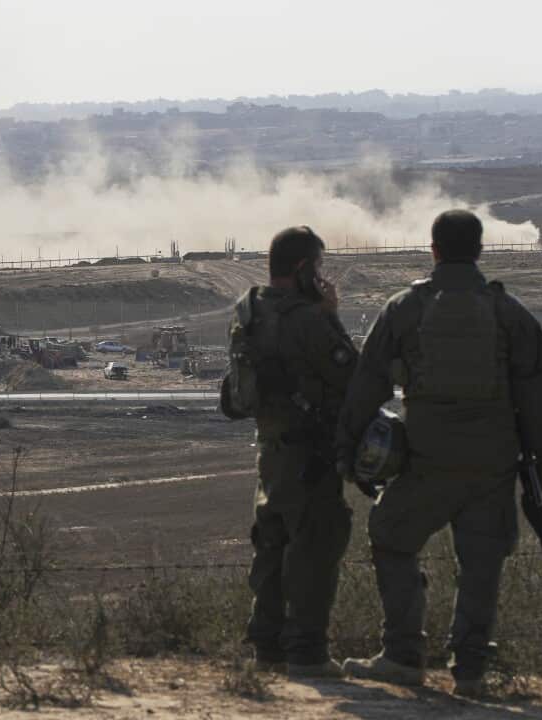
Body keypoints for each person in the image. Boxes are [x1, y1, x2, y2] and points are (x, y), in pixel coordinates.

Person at [335, 210, 542, 696]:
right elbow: (540, 389)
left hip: (427, 460)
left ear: (433, 250)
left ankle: (402, 655)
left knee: (391, 537)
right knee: (481, 564)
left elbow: (367, 383)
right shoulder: (509, 313)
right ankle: (471, 670)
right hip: (494, 465)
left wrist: (349, 452)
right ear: (480, 250)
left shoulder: (405, 307)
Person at [220, 225, 356, 678]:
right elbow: (350, 375)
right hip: (310, 456)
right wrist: (332, 314)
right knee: (315, 547)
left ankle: (267, 645)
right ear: (302, 269)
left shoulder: (247, 313)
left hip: (270, 452)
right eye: (317, 268)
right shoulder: (310, 320)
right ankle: (308, 652)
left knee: (272, 547)